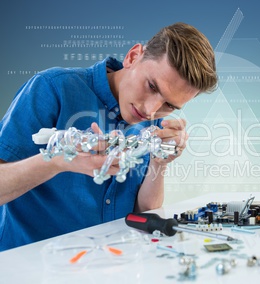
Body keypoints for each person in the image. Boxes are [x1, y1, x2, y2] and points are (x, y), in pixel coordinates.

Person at [0, 22, 217, 251]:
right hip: (30, 265)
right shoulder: (52, 88)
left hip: (108, 263)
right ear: (133, 57)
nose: (150, 109)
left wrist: (159, 163)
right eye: (152, 86)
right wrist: (58, 162)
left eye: (169, 105)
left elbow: (142, 213)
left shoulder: (152, 124)